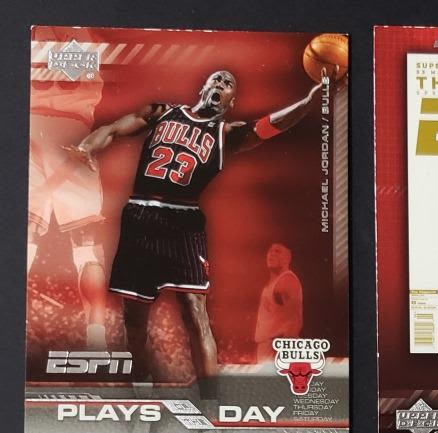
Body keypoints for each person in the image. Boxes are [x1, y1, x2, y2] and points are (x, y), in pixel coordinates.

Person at [66, 69, 324, 393]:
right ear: (204, 87)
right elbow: (114, 129)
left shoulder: (225, 133)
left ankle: (210, 401)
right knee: (133, 318)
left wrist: (309, 101)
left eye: (228, 84)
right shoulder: (162, 112)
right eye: (217, 79)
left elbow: (273, 124)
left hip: (183, 222)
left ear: (231, 102)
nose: (221, 84)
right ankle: (142, 389)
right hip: (140, 216)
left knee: (194, 312)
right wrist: (87, 147)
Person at [28, 28, 108, 350]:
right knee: (87, 244)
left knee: (25, 234)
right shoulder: (84, 30)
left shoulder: (31, 25)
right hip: (72, 129)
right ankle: (97, 338)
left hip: (30, 125)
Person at [254, 242, 303, 361]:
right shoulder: (273, 282)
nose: (272, 254)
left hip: (277, 347)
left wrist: (284, 351)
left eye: (277, 251)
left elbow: (294, 321)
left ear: (288, 258)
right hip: (268, 346)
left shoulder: (287, 281)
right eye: (270, 251)